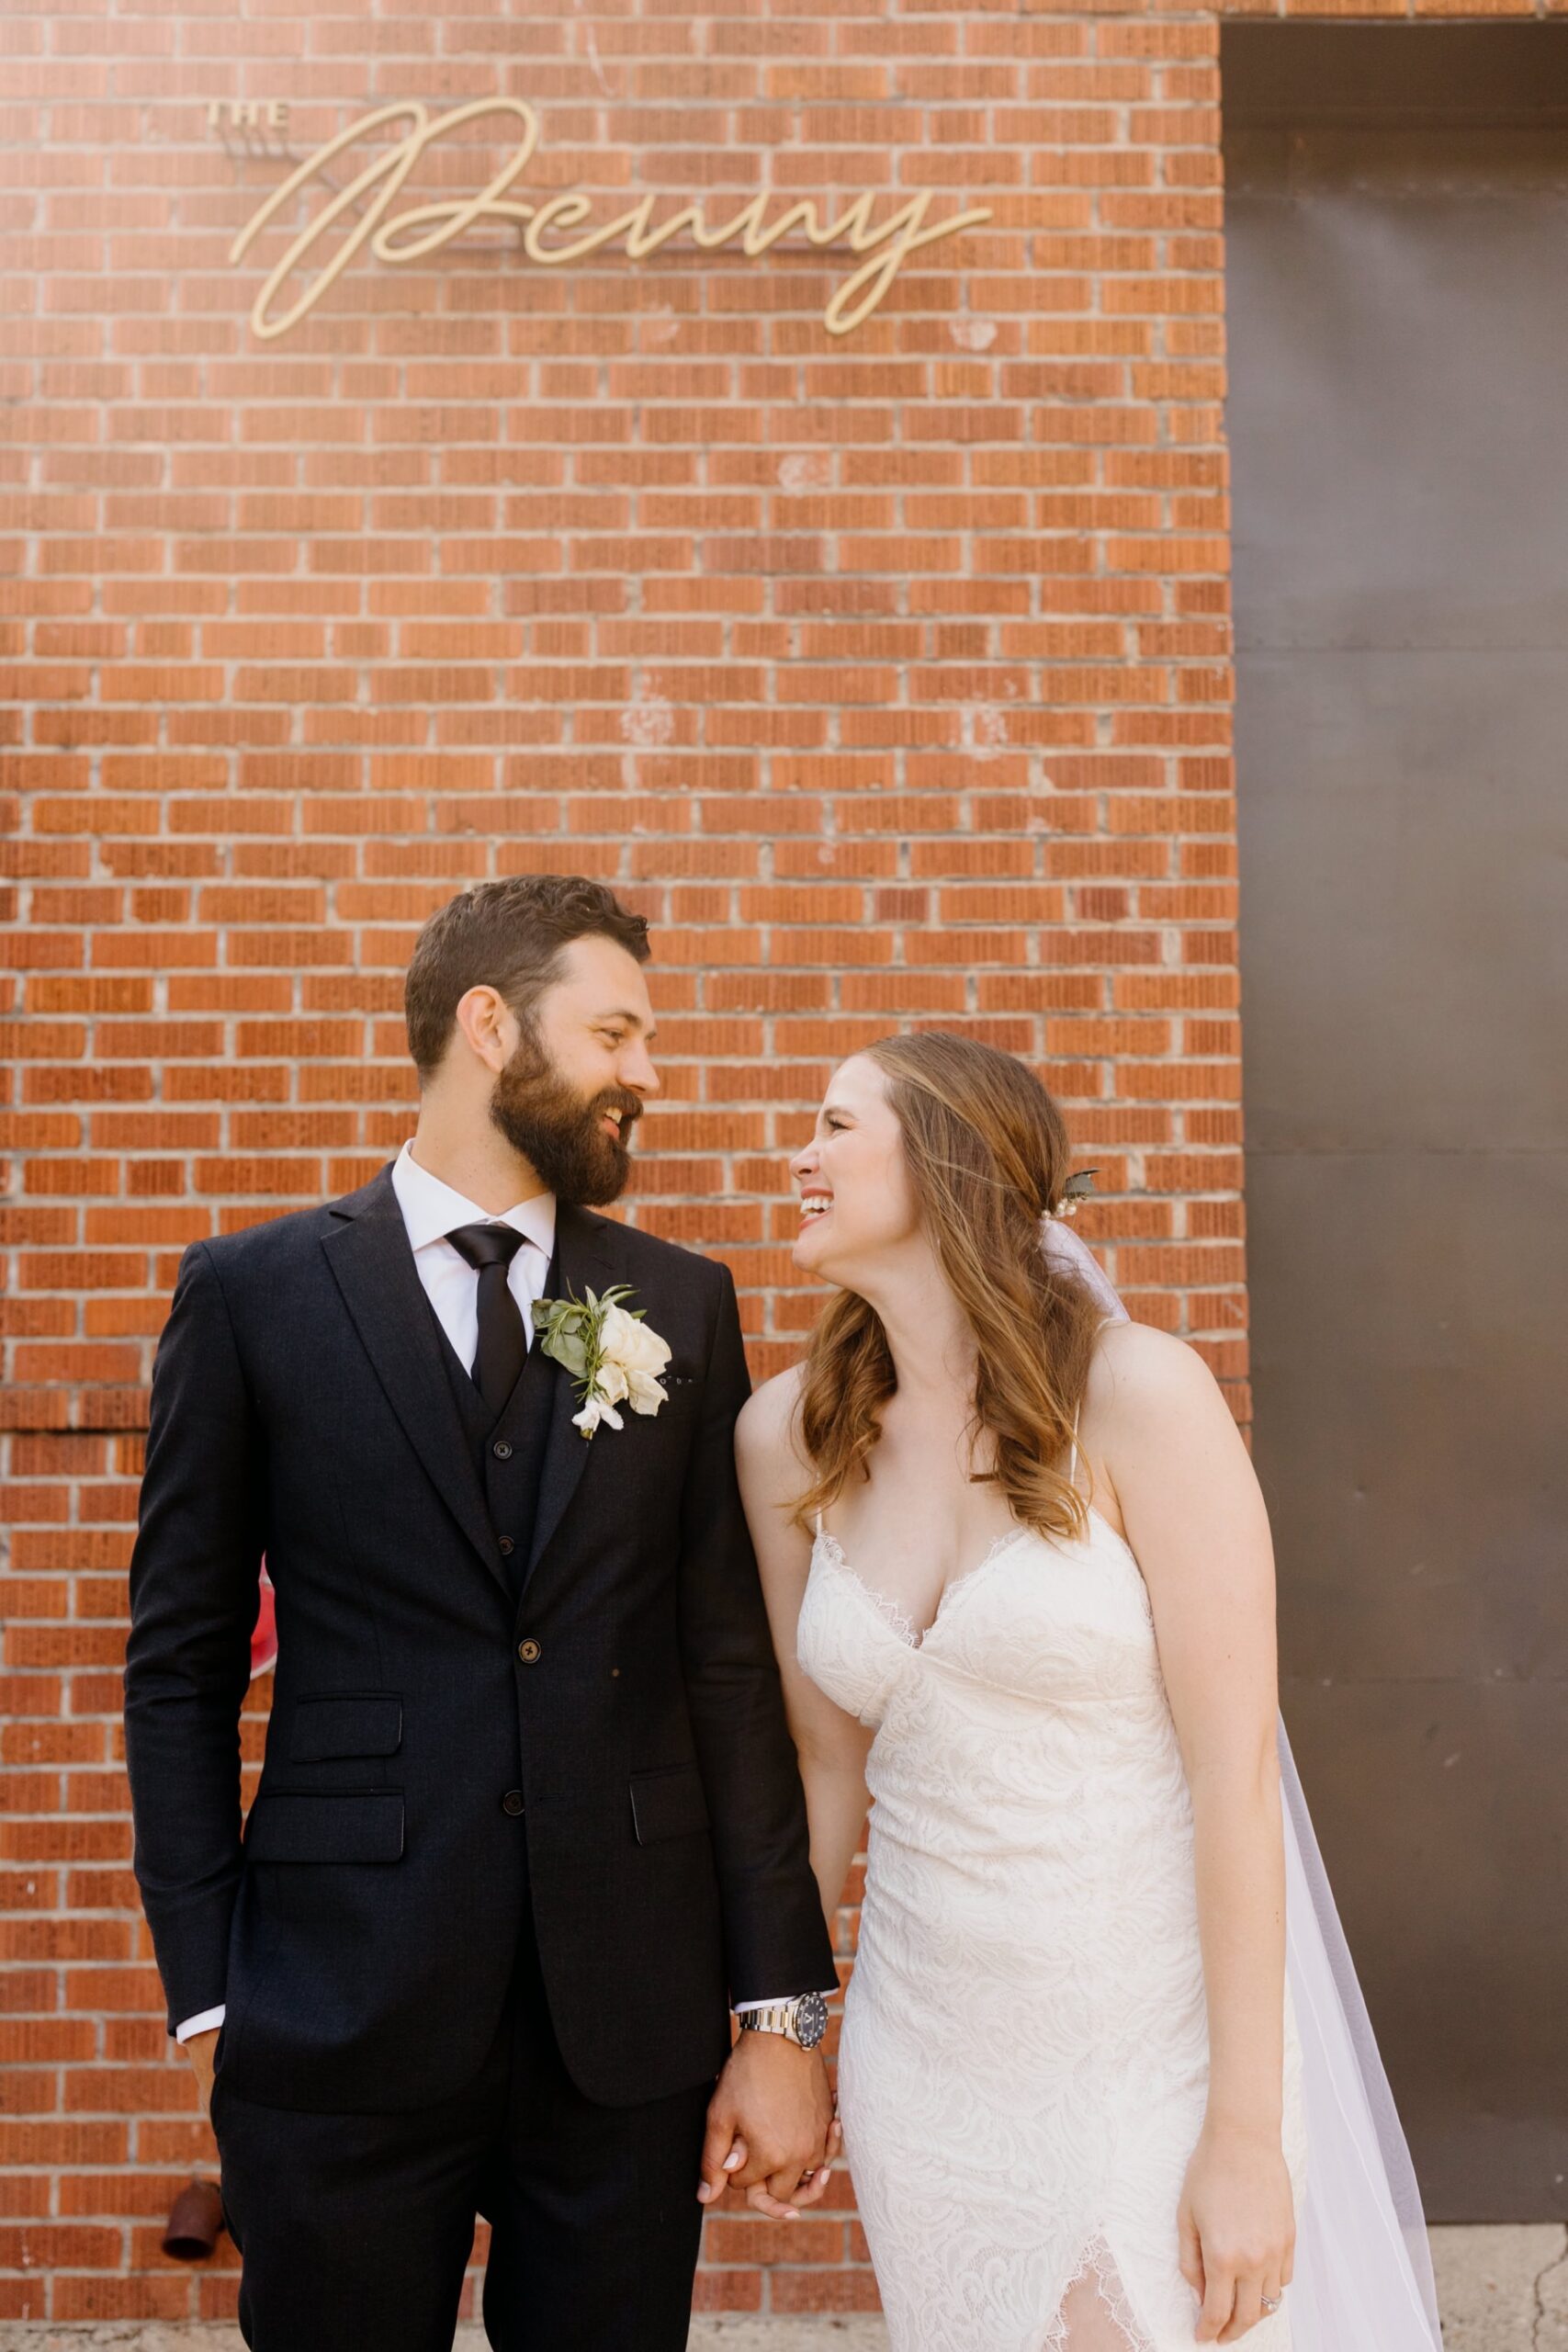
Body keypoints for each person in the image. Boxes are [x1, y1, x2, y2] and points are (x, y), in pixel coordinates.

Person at [123, 876, 839, 2352]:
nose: (650, 1073)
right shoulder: (254, 1294)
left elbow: (723, 1666)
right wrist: (208, 1991)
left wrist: (782, 2011)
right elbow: (179, 1665)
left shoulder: (682, 1304)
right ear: (490, 1022)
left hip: (624, 2028)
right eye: (619, 1031)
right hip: (335, 2004)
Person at [737, 1032, 1444, 2352]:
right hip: (929, 2057)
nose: (801, 1156)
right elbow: (819, 1773)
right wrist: (782, 2027)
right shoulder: (788, 1436)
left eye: (836, 1127)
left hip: (1153, 2045)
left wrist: (1243, 2128)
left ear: (946, 1163)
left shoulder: (1138, 1398)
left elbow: (1234, 1779)